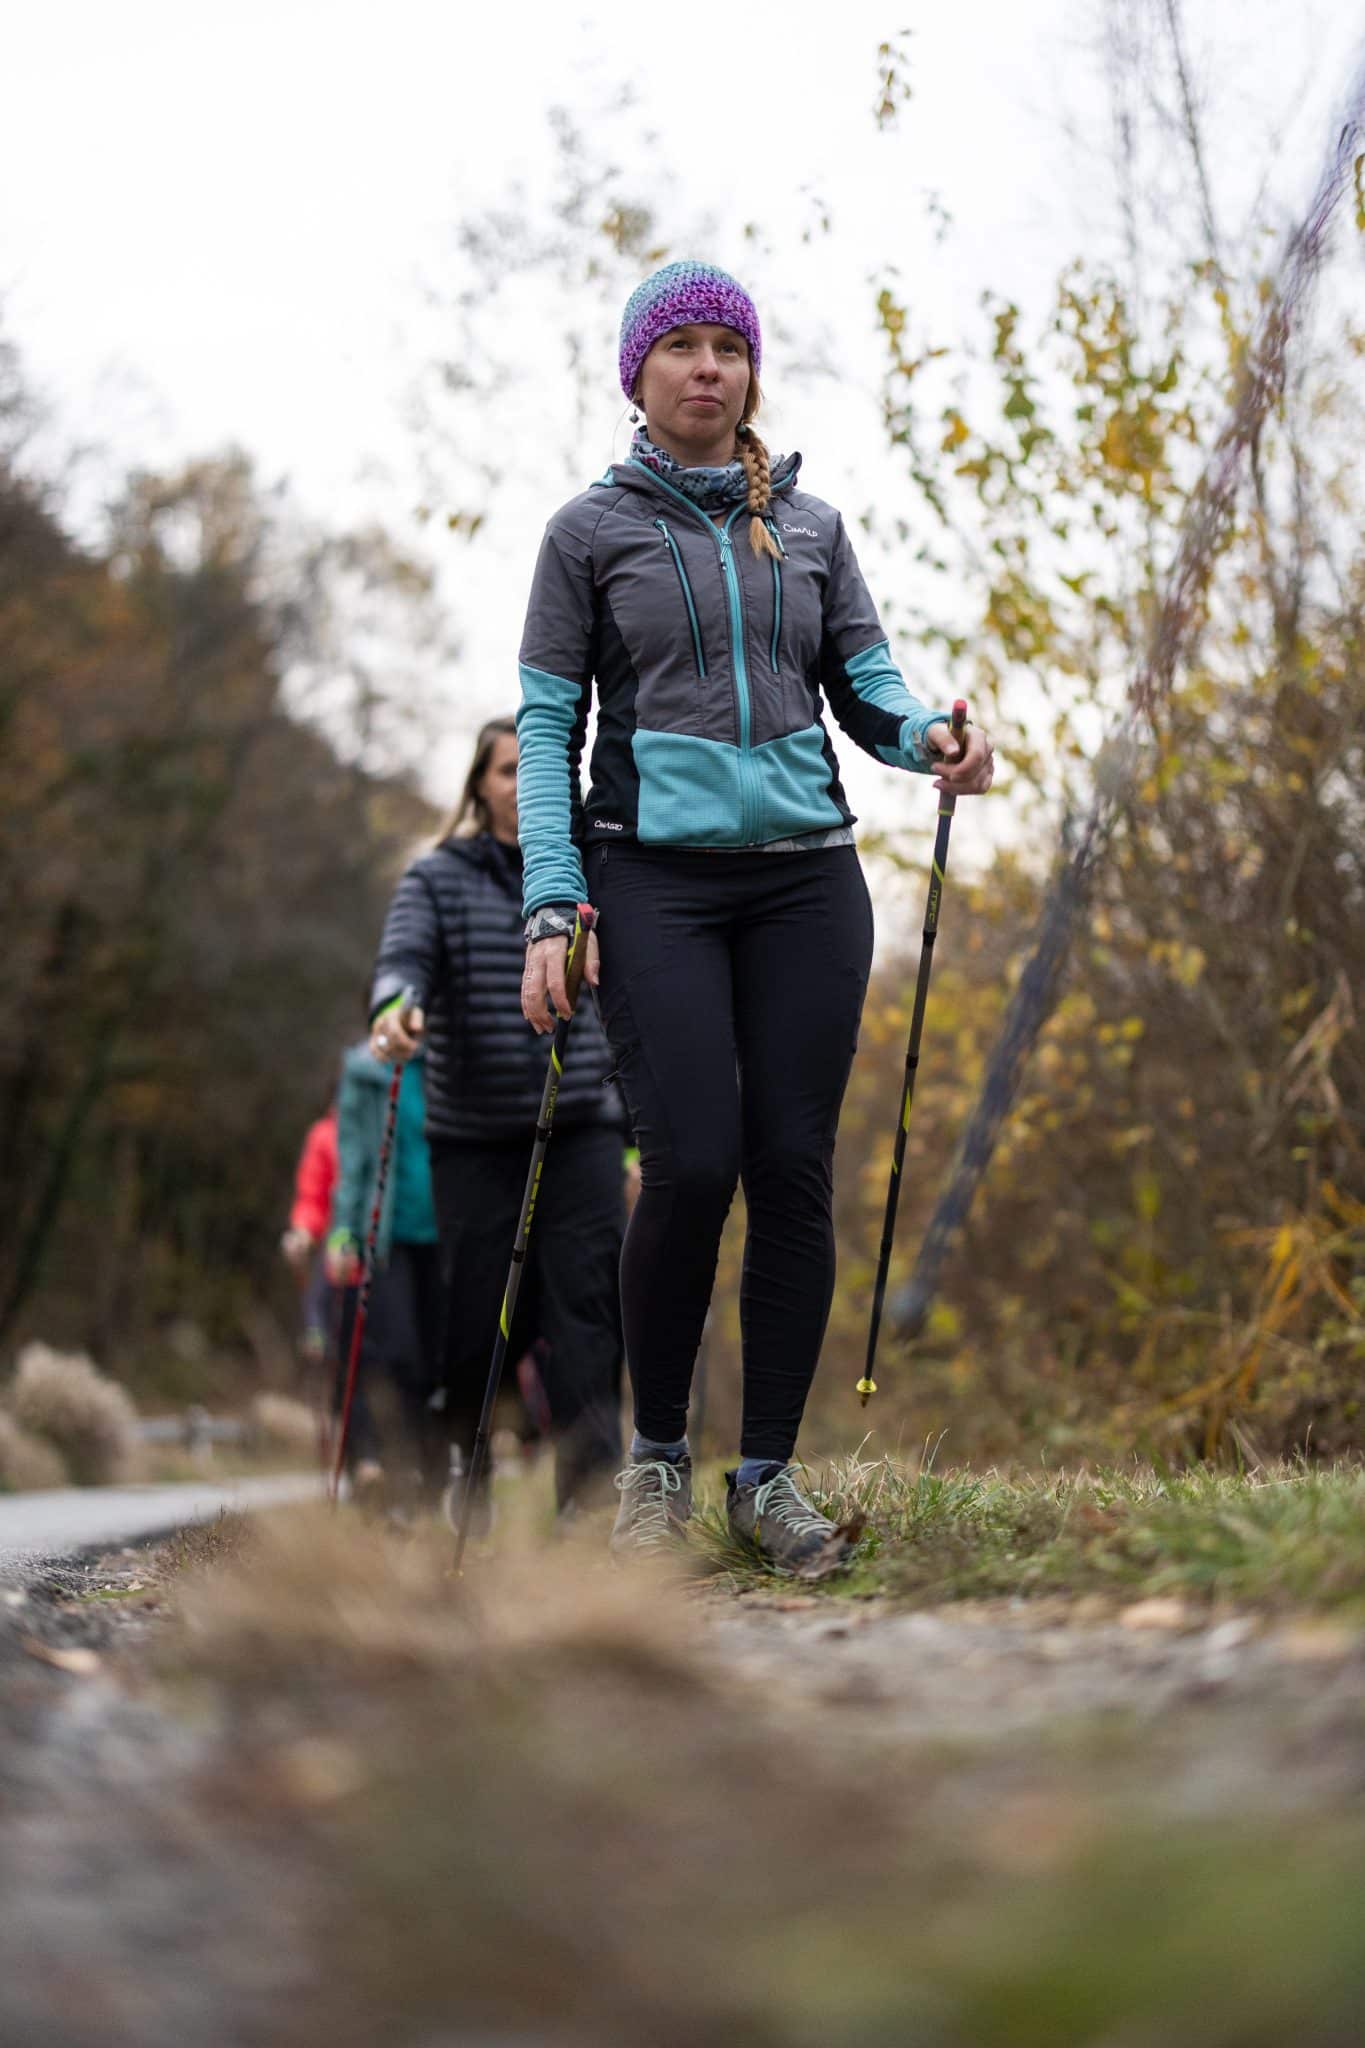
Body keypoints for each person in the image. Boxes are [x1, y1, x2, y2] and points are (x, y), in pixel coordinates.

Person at [516, 260, 995, 1577]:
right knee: (693, 1162)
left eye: (729, 346)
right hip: (650, 880)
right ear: (638, 373)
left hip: (807, 881)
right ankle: (657, 1466)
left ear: (751, 373)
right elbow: (551, 728)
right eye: (681, 347)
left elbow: (869, 683)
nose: (708, 367)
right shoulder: (587, 534)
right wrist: (551, 907)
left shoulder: (814, 528)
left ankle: (768, 1480)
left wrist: (931, 738)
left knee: (791, 1168)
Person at [368, 717, 627, 1520]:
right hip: (473, 1136)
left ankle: (586, 1506)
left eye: (534, 770)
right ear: (480, 784)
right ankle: (465, 1477)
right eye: (508, 770)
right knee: (477, 1318)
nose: (521, 784)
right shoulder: (436, 877)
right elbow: (403, 959)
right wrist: (396, 1008)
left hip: (580, 1121)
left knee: (585, 1307)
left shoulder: (592, 871)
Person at [327, 1036, 443, 1498]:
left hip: (448, 1236)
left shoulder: (452, 1062)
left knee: (440, 1359)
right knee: (398, 1352)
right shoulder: (365, 1070)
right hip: (388, 1239)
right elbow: (352, 1158)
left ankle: (429, 1471)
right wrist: (343, 1232)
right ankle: (393, 1464)